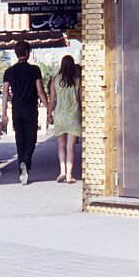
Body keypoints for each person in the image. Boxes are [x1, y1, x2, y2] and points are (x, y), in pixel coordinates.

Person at [2, 40, 47, 185]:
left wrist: (4, 113)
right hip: (30, 109)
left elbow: (4, 94)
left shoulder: (9, 71)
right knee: (31, 139)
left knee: (19, 140)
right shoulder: (35, 70)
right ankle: (25, 163)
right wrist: (48, 107)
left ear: (16, 54)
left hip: (16, 110)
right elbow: (40, 91)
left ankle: (22, 170)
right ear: (28, 53)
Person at [47, 55, 82, 184]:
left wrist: (49, 114)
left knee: (61, 146)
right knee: (70, 146)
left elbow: (52, 100)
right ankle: (69, 175)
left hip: (60, 116)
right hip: (73, 115)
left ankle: (62, 171)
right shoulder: (77, 80)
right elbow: (81, 98)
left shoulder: (55, 80)